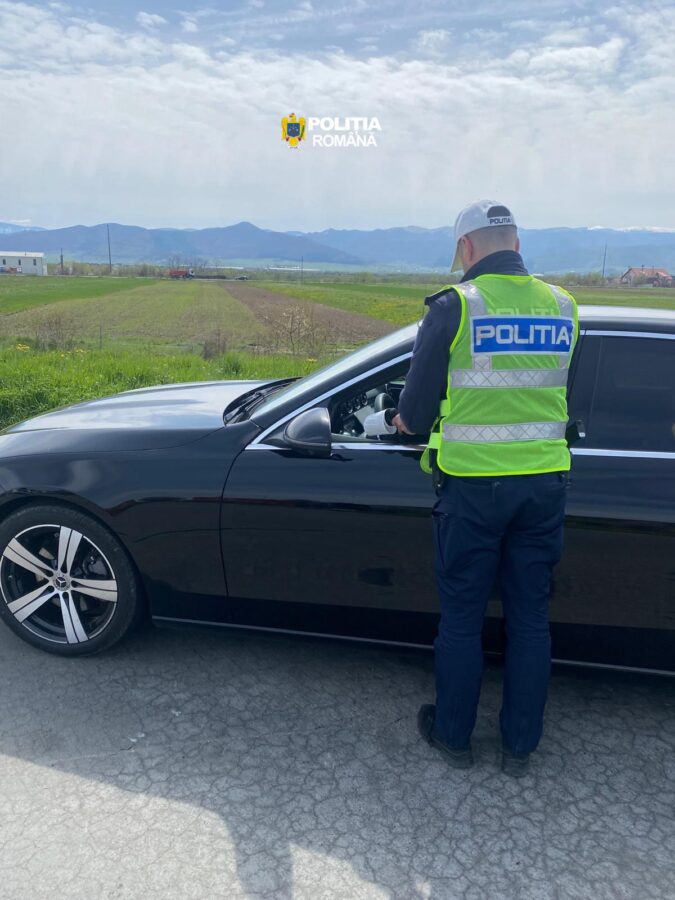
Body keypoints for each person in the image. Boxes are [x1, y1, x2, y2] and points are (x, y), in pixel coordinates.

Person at [393, 200, 578, 777]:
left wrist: (401, 420)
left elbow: (414, 416)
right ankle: (520, 747)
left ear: (466, 248)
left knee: (462, 619)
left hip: (474, 490)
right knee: (530, 620)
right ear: (516, 244)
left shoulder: (455, 307)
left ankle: (454, 737)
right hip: (543, 485)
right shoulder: (564, 306)